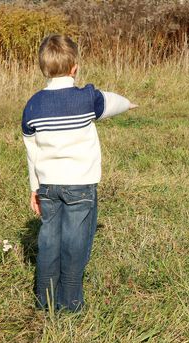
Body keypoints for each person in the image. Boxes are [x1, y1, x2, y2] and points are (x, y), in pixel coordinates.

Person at [21, 34, 137, 312]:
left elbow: (31, 150)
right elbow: (112, 102)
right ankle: (70, 303)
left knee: (49, 239)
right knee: (75, 240)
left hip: (48, 185)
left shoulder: (33, 106)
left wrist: (34, 188)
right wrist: (129, 103)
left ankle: (44, 300)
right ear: (75, 67)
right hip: (81, 186)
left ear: (43, 69)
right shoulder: (87, 98)